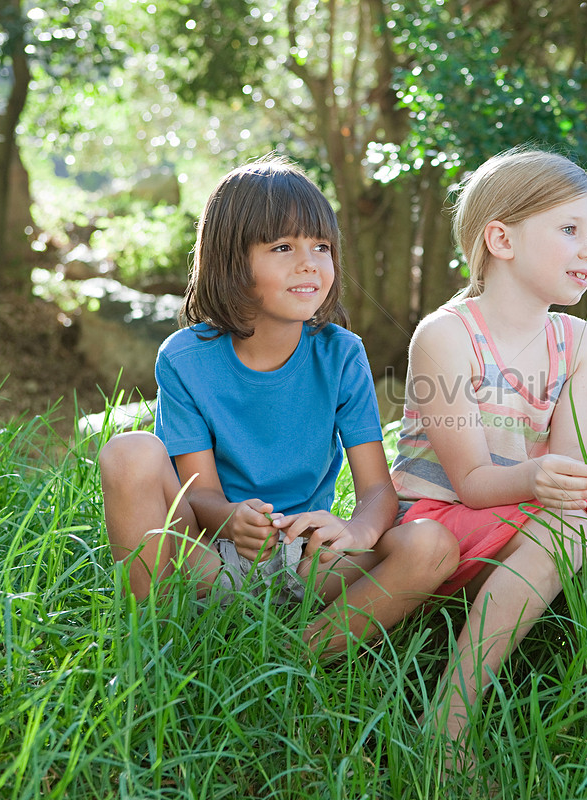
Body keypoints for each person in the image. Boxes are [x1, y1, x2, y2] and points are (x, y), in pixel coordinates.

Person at [98, 155, 458, 655]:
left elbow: (378, 490)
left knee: (431, 545)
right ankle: (152, 649)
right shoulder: (185, 358)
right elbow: (197, 495)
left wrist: (355, 531)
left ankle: (300, 659)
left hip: (309, 562)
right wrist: (231, 520)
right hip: (213, 557)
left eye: (322, 247)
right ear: (231, 261)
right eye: (283, 247)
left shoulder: (340, 353)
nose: (309, 262)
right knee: (129, 452)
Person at [389, 147, 587, 750]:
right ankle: (449, 719)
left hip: (524, 505)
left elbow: (568, 463)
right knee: (566, 530)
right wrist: (550, 477)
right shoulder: (447, 336)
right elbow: (470, 482)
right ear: (501, 239)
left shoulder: (578, 341)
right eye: (568, 230)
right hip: (445, 521)